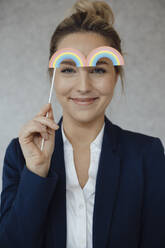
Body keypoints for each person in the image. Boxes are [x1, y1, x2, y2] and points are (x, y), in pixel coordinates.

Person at [0, 0, 165, 247]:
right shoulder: (21, 154)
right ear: (52, 77)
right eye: (68, 70)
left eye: (98, 70)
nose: (84, 86)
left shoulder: (147, 154)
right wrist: (36, 172)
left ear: (116, 75)